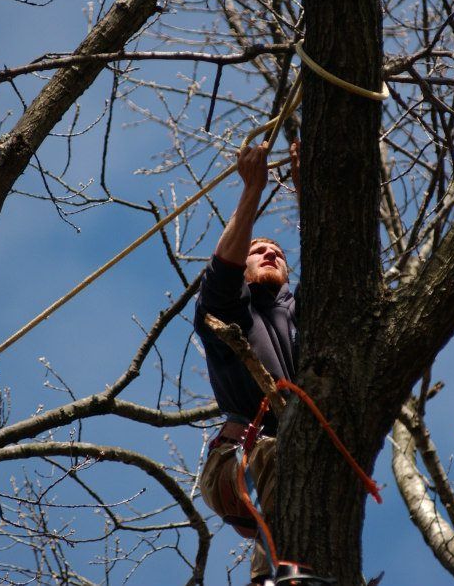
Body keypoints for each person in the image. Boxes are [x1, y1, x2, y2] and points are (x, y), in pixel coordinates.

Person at [194, 140, 299, 586]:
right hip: (243, 459)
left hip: (297, 453)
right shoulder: (232, 310)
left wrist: (307, 189)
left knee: (298, 463)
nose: (270, 253)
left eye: (278, 252)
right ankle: (276, 579)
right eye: (258, 251)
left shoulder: (303, 316)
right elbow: (221, 274)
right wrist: (252, 190)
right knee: (284, 456)